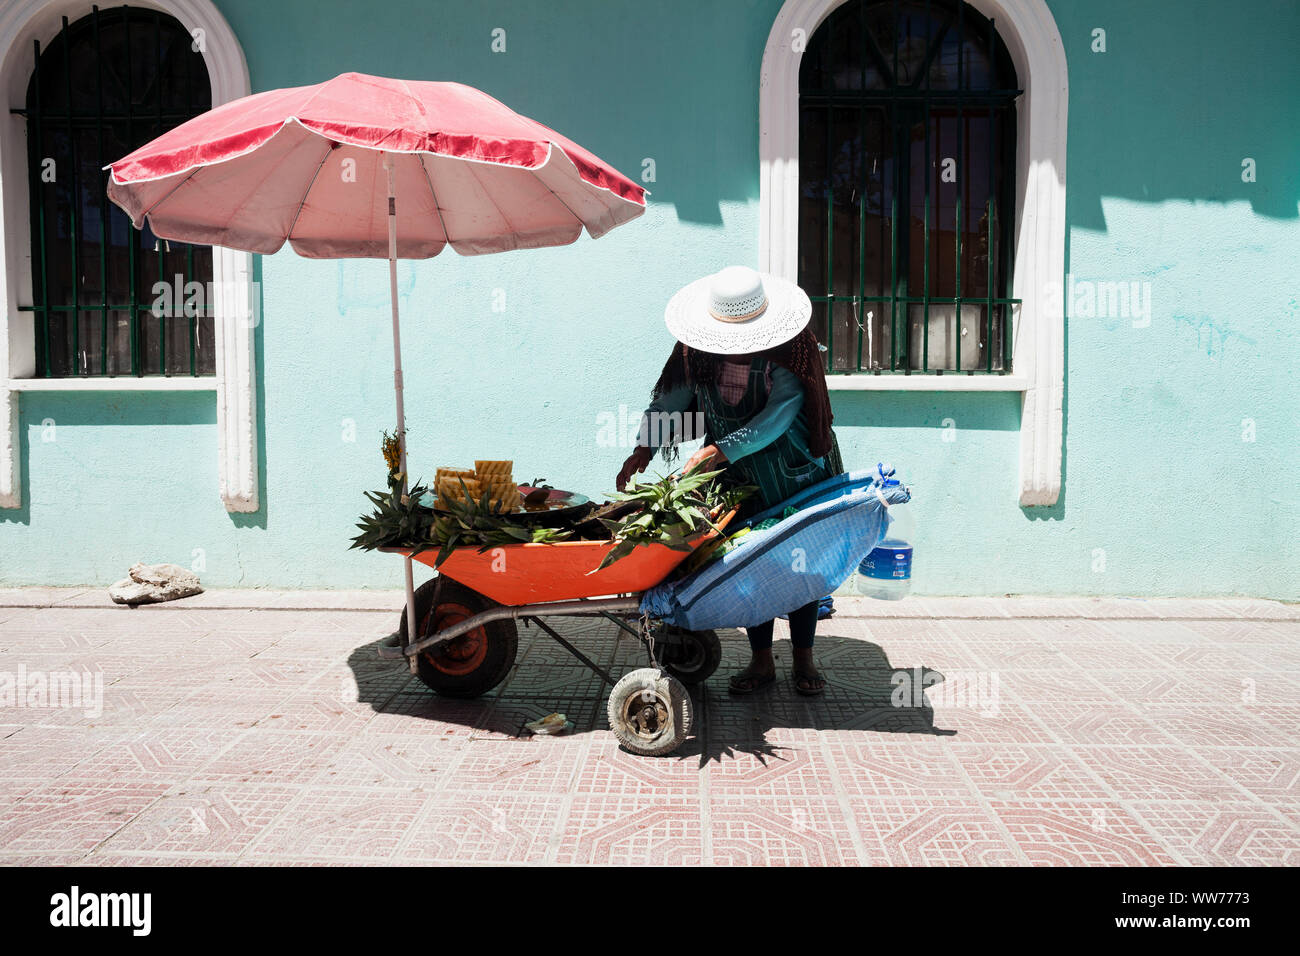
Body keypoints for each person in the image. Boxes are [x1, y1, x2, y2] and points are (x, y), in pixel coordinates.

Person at [616, 266, 842, 696]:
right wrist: (643, 448)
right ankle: (761, 661)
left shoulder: (792, 349)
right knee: (748, 560)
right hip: (739, 475)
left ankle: (804, 658)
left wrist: (719, 450)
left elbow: (779, 414)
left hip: (795, 468)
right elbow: (671, 400)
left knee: (801, 564)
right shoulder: (694, 351)